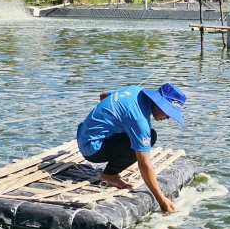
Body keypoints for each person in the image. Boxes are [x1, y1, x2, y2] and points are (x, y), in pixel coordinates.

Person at [76, 83, 186, 212]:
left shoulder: (134, 90)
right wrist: (161, 200)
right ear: (158, 102)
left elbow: (103, 95)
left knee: (135, 135)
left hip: (83, 135)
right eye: (168, 112)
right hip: (92, 150)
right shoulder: (139, 121)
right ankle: (109, 175)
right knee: (151, 136)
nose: (167, 117)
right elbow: (144, 163)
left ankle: (119, 159)